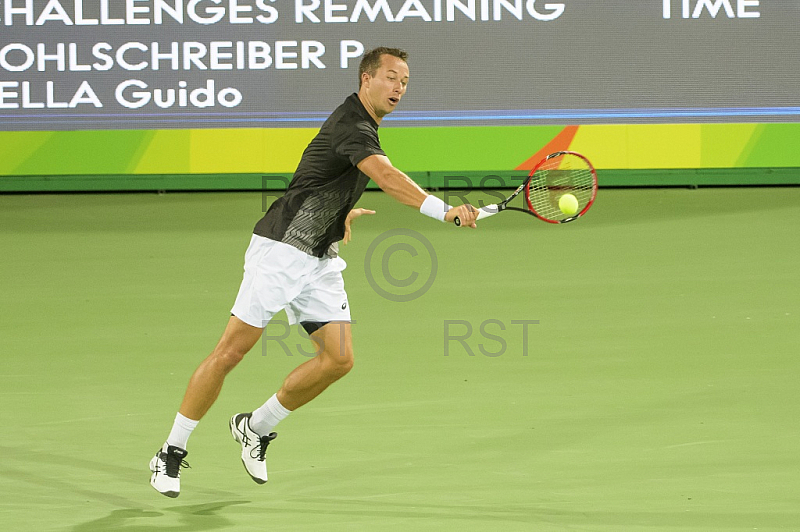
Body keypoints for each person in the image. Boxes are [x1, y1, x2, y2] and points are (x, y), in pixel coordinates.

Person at [149, 46, 479, 497]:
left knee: (339, 358)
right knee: (230, 353)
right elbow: (384, 176)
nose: (399, 87)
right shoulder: (353, 124)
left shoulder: (364, 127)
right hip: (282, 251)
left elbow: (318, 178)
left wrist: (339, 211)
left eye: (405, 81)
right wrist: (445, 212)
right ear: (366, 79)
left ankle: (255, 427)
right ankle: (170, 450)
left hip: (319, 258)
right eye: (391, 77)